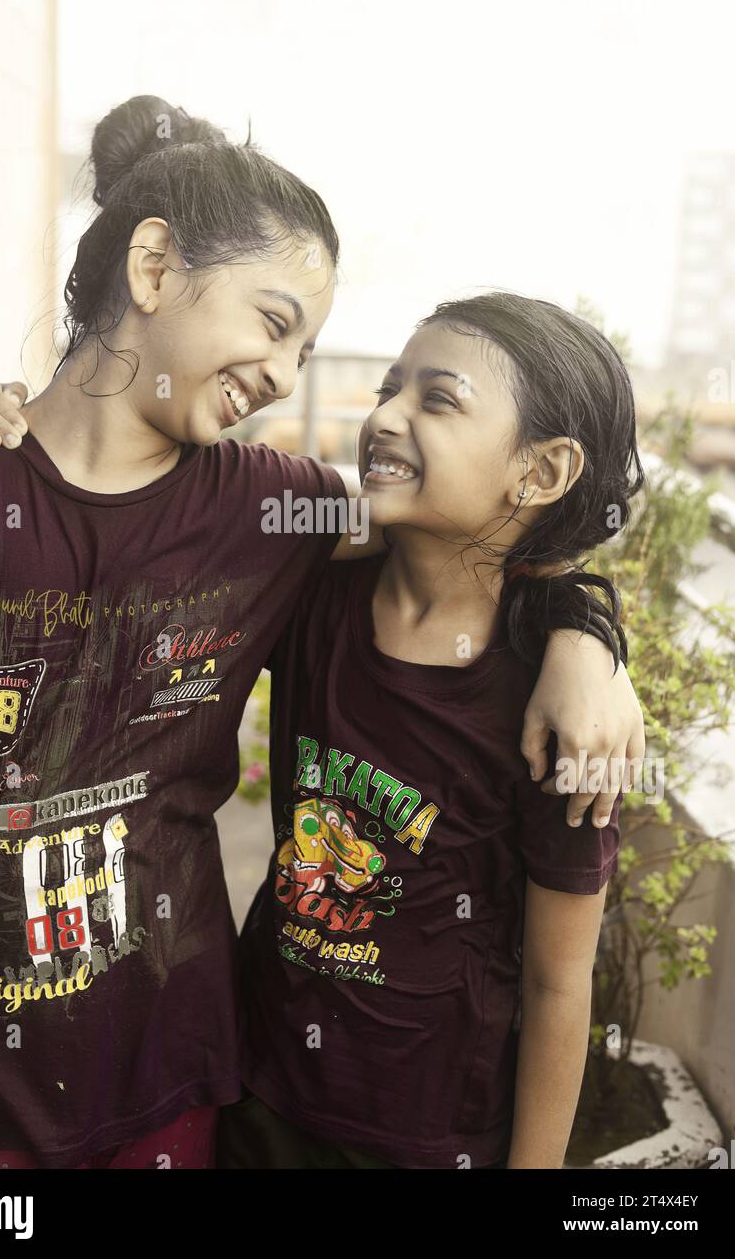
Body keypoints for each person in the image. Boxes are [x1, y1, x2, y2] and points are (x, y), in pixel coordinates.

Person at [0, 95, 643, 1170]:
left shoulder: (269, 511)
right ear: (153, 269)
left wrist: (585, 628)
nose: (289, 379)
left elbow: (477, 522)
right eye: (276, 326)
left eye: (310, 349)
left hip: (177, 1068)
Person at [218, 293, 642, 1170]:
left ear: (543, 470)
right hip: (259, 1089)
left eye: (437, 399)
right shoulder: (310, 595)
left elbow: (561, 984)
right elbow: (167, 506)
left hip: (427, 1137)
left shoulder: (556, 708)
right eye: (388, 388)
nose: (384, 417)